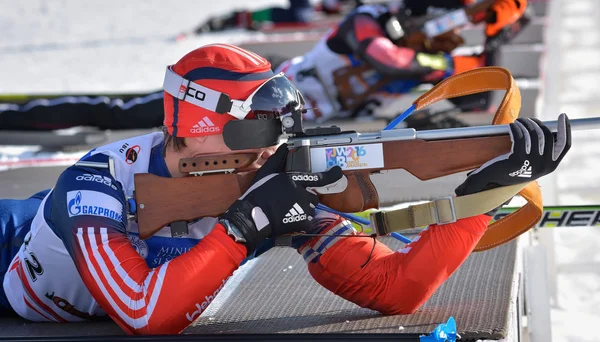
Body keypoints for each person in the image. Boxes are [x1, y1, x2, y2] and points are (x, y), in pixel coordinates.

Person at [0, 43, 571, 334]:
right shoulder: (98, 180)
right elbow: (143, 314)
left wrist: (489, 191)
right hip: (12, 245)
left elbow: (397, 290)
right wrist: (243, 229)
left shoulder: (264, 180)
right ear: (203, 124)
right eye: (258, 127)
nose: (272, 147)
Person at [0, 1, 530, 132]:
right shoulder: (373, 19)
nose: (455, 32)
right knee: (123, 115)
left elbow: (483, 99)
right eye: (450, 22)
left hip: (288, 140)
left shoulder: (448, 64)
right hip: (245, 101)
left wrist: (468, 58)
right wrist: (451, 59)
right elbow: (381, 54)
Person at [275, 0, 530, 123]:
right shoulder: (366, 19)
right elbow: (389, 60)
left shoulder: (426, 62)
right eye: (447, 26)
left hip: (325, 127)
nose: (452, 37)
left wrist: (494, 35)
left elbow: (480, 99)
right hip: (276, 98)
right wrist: (450, 65)